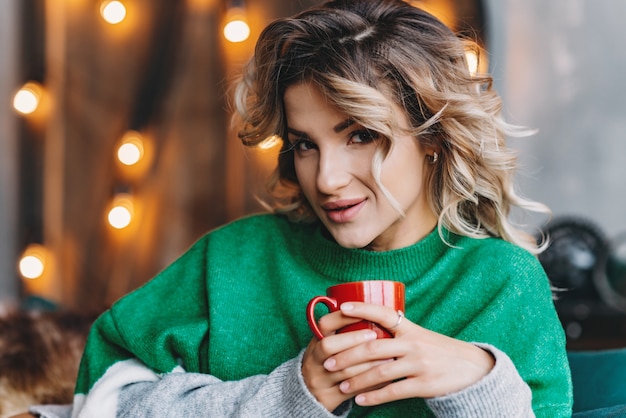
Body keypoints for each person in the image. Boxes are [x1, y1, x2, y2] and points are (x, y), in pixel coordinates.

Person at [22, 0, 572, 416]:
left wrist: (480, 383)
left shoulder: (501, 283)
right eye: (305, 143)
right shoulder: (233, 259)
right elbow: (105, 401)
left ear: (434, 138)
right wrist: (290, 394)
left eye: (360, 136)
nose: (327, 179)